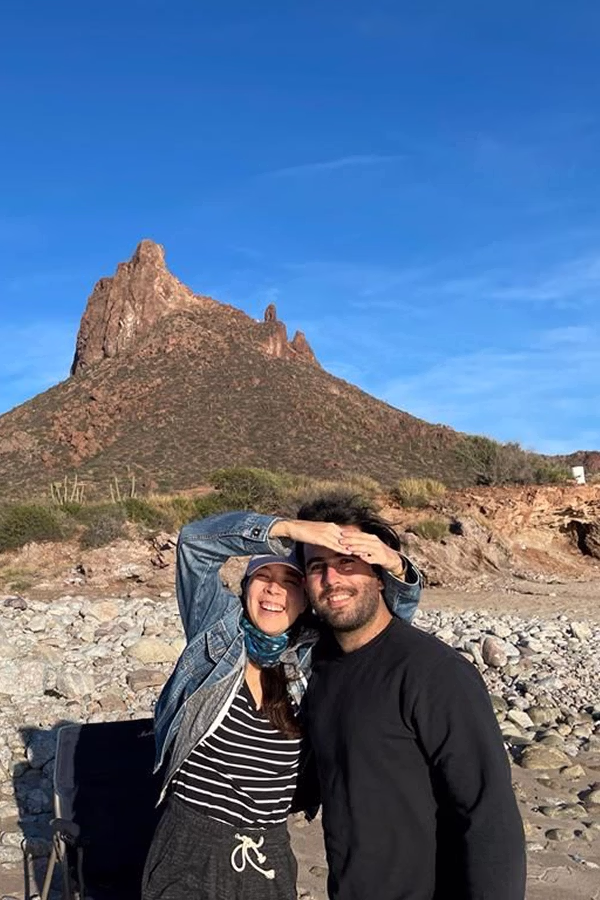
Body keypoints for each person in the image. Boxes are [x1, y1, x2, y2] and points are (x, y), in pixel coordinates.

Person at [143, 509, 422, 900]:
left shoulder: (315, 657)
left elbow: (385, 621)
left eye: (290, 580)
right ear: (245, 589)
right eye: (263, 577)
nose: (274, 590)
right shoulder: (214, 634)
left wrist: (393, 562)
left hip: (267, 850)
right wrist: (287, 530)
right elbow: (194, 543)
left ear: (305, 598)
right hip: (189, 842)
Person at [296, 494, 527, 900]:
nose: (332, 580)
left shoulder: (433, 673)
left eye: (348, 562)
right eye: (318, 567)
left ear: (381, 574)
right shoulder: (319, 670)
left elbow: (489, 815)